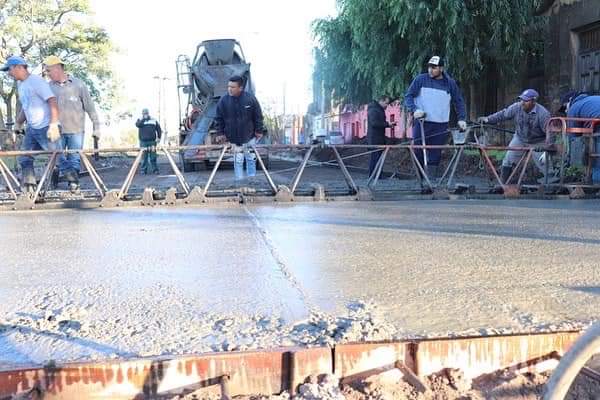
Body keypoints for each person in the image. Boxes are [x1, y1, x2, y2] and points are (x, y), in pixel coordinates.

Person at [1, 55, 62, 193]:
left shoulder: (37, 82)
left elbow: (52, 101)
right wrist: (18, 123)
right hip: (32, 128)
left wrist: (53, 125)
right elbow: (26, 106)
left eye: (9, 70)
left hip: (46, 127)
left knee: (57, 157)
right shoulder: (20, 84)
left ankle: (71, 186)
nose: (9, 74)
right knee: (24, 157)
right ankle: (30, 188)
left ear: (19, 67)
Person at [404, 55, 467, 180]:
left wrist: (462, 118)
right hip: (422, 122)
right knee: (418, 150)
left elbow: (458, 101)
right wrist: (415, 110)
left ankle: (431, 181)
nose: (430, 70)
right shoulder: (420, 80)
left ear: (441, 68)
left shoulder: (450, 83)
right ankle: (419, 180)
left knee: (435, 152)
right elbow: (408, 96)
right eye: (429, 67)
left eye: (434, 68)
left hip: (440, 124)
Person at [44, 55, 101, 191]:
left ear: (57, 69)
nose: (48, 74)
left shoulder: (78, 85)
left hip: (76, 129)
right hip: (56, 130)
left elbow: (90, 107)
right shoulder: (48, 87)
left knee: (74, 157)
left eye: (49, 71)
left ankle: (73, 184)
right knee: (56, 156)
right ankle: (53, 180)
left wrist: (96, 127)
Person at [478, 89, 554, 184]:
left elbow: (550, 132)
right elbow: (502, 115)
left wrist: (547, 149)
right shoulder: (516, 107)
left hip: (538, 141)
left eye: (526, 101)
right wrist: (488, 119)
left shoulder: (543, 114)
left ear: (534, 101)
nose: (522, 103)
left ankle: (551, 183)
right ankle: (503, 184)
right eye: (521, 100)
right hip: (520, 138)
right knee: (508, 159)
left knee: (545, 164)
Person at [214, 75, 266, 180]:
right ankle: (240, 182)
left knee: (251, 159)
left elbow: (258, 116)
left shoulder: (250, 99)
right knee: (238, 160)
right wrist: (220, 133)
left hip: (249, 137)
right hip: (233, 138)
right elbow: (218, 118)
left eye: (233, 87)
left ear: (240, 88)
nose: (230, 89)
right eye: (228, 86)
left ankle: (252, 181)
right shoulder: (223, 101)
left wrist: (259, 130)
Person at [560, 91, 600, 182]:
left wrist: (570, 158)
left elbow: (574, 136)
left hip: (598, 126)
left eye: (564, 107)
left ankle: (597, 185)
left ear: (569, 101)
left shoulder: (574, 107)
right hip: (596, 124)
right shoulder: (590, 100)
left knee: (597, 159)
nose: (565, 111)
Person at [367, 95, 396, 177]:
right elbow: (374, 123)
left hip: (378, 138)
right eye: (386, 103)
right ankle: (375, 175)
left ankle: (378, 174)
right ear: (381, 101)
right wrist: (387, 124)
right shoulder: (373, 109)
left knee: (378, 157)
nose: (387, 105)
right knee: (375, 157)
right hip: (374, 138)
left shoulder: (378, 109)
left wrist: (388, 125)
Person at [135, 108, 162, 174]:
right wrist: (144, 119)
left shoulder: (153, 119)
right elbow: (138, 125)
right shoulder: (139, 119)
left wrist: (159, 137)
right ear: (142, 114)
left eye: (146, 113)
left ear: (148, 113)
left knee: (153, 156)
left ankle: (155, 170)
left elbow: (159, 129)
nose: (145, 114)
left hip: (152, 142)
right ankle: (143, 170)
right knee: (144, 157)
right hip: (143, 142)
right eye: (144, 113)